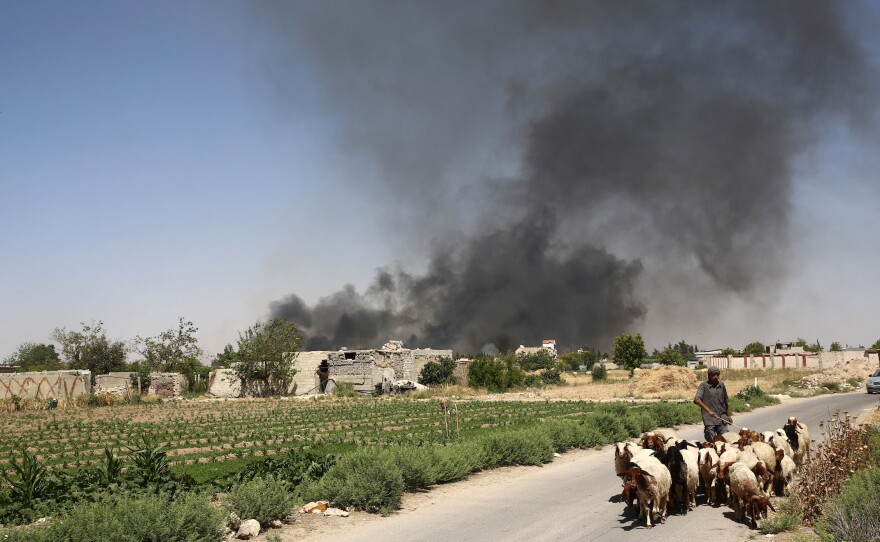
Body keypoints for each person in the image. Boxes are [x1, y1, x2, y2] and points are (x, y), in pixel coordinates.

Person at [694, 366, 732, 442]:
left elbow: (725, 400)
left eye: (717, 375)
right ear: (708, 375)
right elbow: (697, 400)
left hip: (722, 418)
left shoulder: (721, 385)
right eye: (713, 375)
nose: (715, 377)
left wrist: (728, 415)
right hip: (710, 419)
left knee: (725, 442)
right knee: (713, 442)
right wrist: (709, 411)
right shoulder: (703, 386)